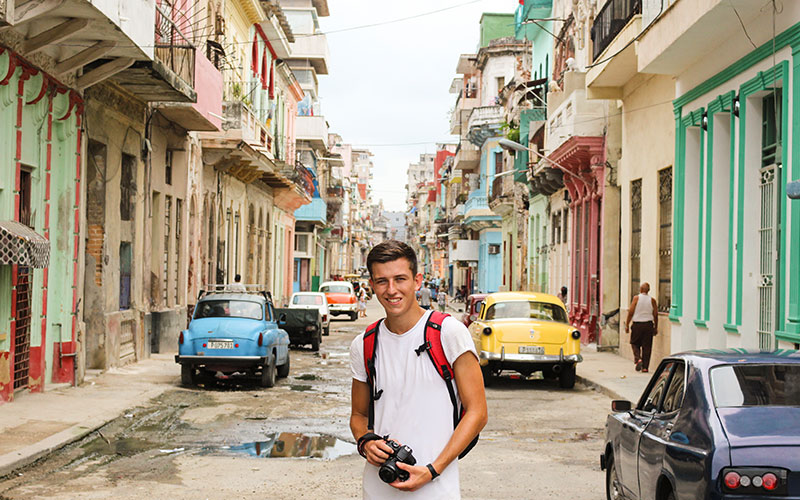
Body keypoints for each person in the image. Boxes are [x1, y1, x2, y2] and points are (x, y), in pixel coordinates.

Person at [349, 240, 487, 499]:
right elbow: (358, 414)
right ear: (372, 285)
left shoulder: (449, 333)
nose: (391, 290)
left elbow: (478, 413)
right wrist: (366, 442)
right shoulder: (364, 344)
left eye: (400, 279)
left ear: (417, 280)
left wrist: (433, 470)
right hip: (378, 488)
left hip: (435, 488)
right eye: (382, 281)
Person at [624, 282, 658, 373]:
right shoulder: (652, 300)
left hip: (637, 325)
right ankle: (645, 367)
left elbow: (631, 312)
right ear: (648, 290)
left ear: (640, 289)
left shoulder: (636, 298)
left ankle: (638, 359)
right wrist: (656, 327)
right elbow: (655, 315)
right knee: (647, 347)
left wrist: (627, 324)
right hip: (648, 325)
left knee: (634, 343)